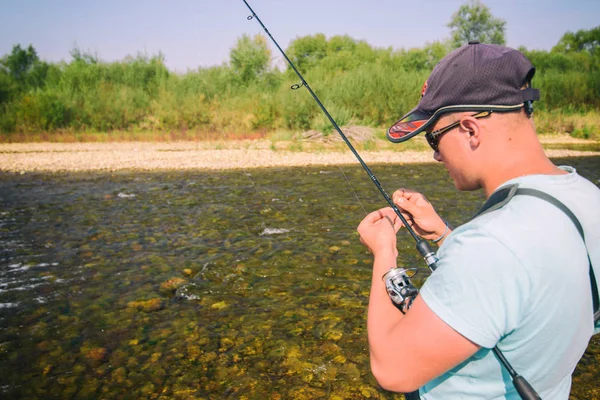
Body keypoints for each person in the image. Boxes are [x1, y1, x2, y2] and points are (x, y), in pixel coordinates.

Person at [357, 41, 600, 399]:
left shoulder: (491, 245)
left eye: (433, 138)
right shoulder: (585, 197)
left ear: (470, 129)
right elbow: (523, 287)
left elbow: (393, 370)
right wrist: (444, 235)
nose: (437, 156)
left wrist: (384, 252)